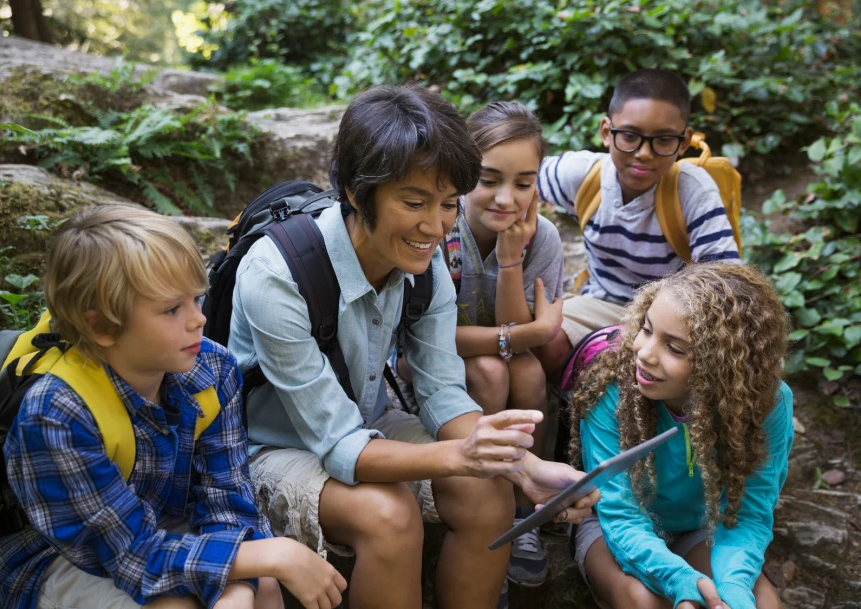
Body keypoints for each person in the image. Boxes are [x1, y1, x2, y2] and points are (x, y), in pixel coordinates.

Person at [229, 85, 598, 609]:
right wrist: (463, 455)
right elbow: (338, 446)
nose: (435, 226)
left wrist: (525, 469)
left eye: (448, 204)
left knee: (488, 492)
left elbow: (446, 396)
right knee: (389, 514)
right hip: (270, 449)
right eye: (413, 202)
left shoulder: (421, 265)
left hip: (365, 421)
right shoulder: (277, 275)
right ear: (358, 194)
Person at [0, 206, 346, 609]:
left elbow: (227, 500)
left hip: (160, 529)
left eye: (195, 299)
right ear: (101, 326)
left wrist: (240, 584)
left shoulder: (212, 369)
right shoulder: (58, 415)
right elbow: (130, 555)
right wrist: (270, 555)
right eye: (172, 309)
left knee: (263, 585)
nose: (198, 320)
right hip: (65, 559)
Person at [397, 101, 565, 588]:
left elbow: (523, 342)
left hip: (507, 367)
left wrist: (511, 259)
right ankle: (485, 494)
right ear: (464, 173)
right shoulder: (439, 230)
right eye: (489, 180)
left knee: (528, 372)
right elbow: (428, 338)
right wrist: (528, 335)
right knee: (493, 369)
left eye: (523, 182)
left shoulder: (543, 239)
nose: (506, 198)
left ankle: (520, 511)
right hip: (427, 372)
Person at [569, 262, 791, 609]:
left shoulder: (769, 403)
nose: (643, 353)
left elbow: (749, 513)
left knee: (759, 604)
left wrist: (733, 588)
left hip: (705, 528)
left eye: (675, 348)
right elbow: (621, 515)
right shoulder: (613, 389)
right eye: (646, 329)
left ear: (722, 364)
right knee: (644, 601)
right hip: (613, 528)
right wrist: (679, 581)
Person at [537, 68, 741, 368]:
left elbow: (725, 283)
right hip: (602, 303)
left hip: (673, 315)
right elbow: (514, 179)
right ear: (607, 132)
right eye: (630, 136)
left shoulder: (691, 190)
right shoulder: (585, 175)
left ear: (684, 142)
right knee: (544, 338)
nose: (644, 153)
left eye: (662, 140)